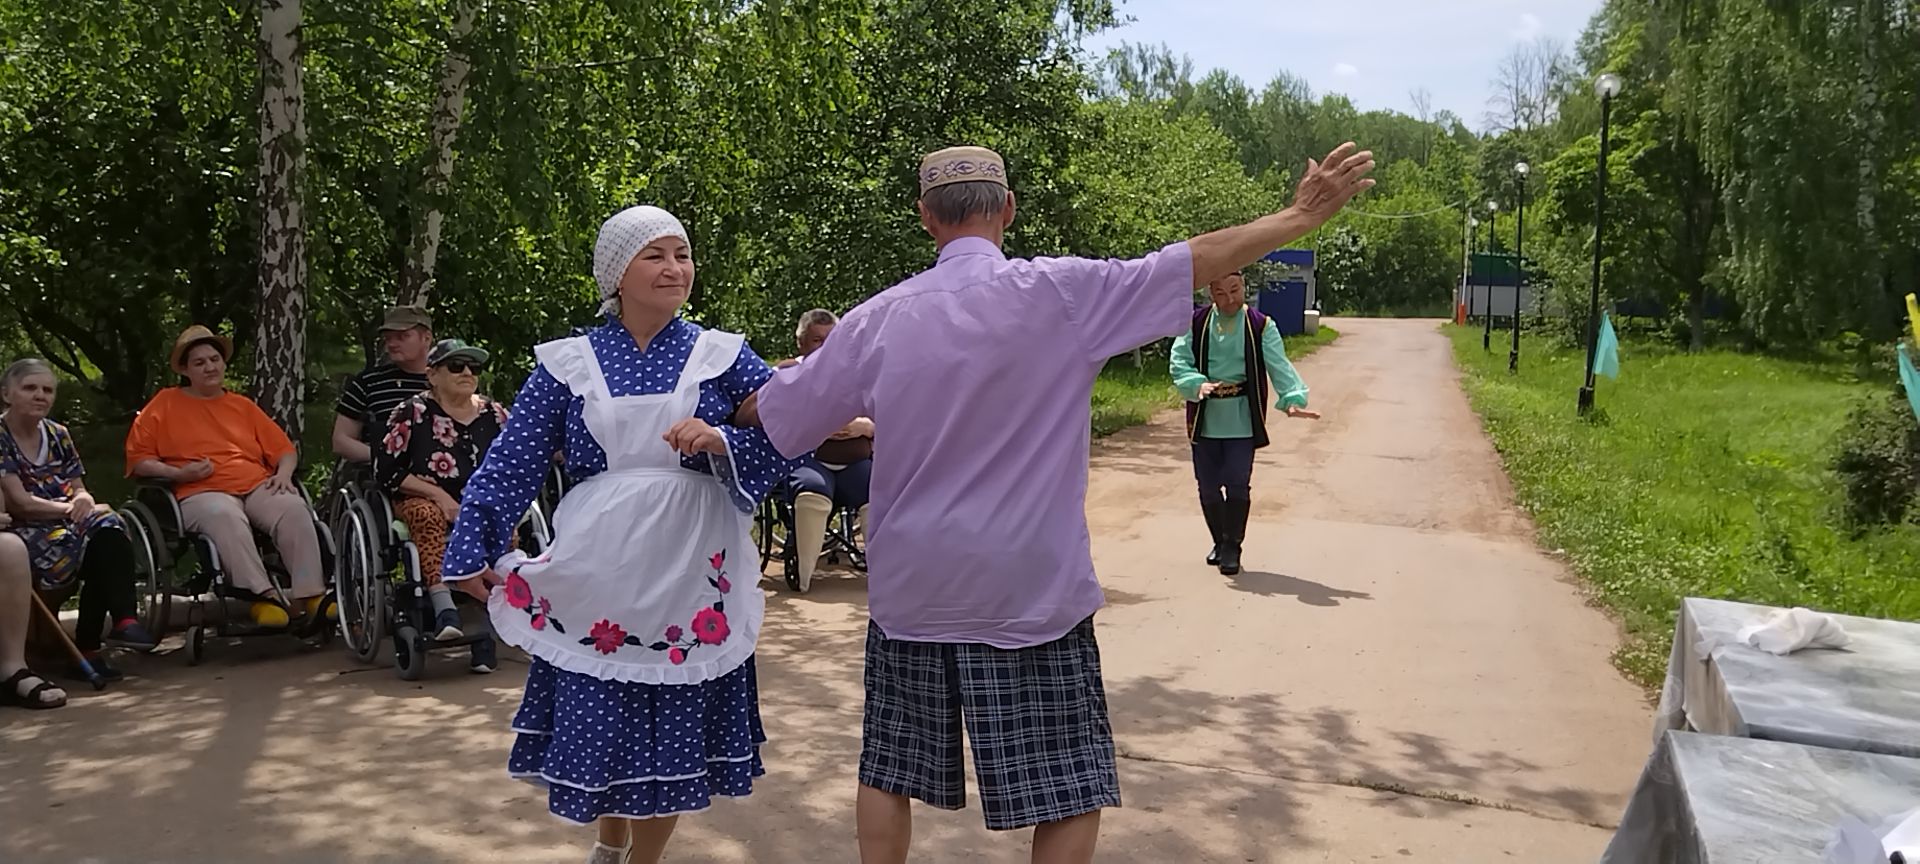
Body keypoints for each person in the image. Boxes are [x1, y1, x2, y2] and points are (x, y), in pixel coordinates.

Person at [736, 142, 1374, 863]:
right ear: (1008, 210)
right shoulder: (1066, 294)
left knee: (891, 768)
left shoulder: (877, 319)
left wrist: (710, 397)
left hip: (915, 588)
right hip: (1029, 587)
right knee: (1069, 785)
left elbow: (779, 411)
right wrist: (1298, 214)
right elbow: (1191, 259)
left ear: (925, 219)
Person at [444, 205, 796, 864]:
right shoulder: (568, 362)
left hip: (690, 568)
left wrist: (722, 439)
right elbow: (513, 461)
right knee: (600, 707)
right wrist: (470, 546)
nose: (674, 268)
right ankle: (610, 844)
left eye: (682, 254)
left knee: (671, 722)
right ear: (617, 272)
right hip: (599, 565)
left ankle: (643, 859)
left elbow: (790, 426)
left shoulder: (723, 355)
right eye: (655, 255)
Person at [125, 326, 329, 630]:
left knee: (294, 508)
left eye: (214, 359)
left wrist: (284, 475)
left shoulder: (242, 406)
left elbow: (284, 451)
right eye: (199, 362)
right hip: (200, 490)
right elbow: (139, 461)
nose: (210, 367)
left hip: (256, 483)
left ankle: (311, 594)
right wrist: (179, 473)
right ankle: (262, 597)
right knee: (225, 517)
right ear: (185, 370)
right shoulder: (164, 404)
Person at [0, 359, 158, 681]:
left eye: (47, 390)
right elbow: (19, 503)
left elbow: (78, 487)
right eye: (30, 388)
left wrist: (84, 499)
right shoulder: (1, 436)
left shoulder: (59, 434)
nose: (40, 395)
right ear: (7, 393)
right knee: (95, 539)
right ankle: (87, 647)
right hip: (23, 529)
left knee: (109, 528)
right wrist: (72, 509)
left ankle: (119, 623)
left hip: (65, 521)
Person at [1170, 270, 1318, 576]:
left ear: (1244, 287)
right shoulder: (1195, 324)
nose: (1229, 299)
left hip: (1241, 419)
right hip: (1206, 417)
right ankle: (1219, 540)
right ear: (1210, 293)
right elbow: (1179, 360)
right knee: (1208, 487)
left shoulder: (1260, 325)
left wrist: (1292, 399)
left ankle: (1232, 546)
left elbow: (1278, 364)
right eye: (1221, 293)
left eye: (1234, 290)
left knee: (1238, 483)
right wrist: (1195, 383)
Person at [372, 338, 506, 668]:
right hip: (422, 495)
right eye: (456, 366)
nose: (467, 373)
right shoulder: (412, 413)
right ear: (432, 375)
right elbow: (386, 471)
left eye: (473, 367)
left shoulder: (495, 413)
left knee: (504, 522)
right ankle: (445, 608)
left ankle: (496, 615)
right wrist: (440, 496)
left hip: (480, 500)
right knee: (427, 515)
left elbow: (516, 464)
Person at [776, 309, 873, 592]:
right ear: (801, 342)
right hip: (810, 460)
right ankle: (804, 578)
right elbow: (777, 421)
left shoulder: (862, 375)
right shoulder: (787, 374)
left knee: (880, 488)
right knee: (811, 493)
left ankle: (883, 577)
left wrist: (864, 427)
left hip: (856, 461)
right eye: (817, 340)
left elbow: (887, 417)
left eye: (832, 340)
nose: (826, 347)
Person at [332, 305, 434, 464]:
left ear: (426, 338)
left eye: (402, 336)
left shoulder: (454, 378)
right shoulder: (368, 382)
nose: (392, 344)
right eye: (388, 338)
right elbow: (341, 441)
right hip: (382, 480)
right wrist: (384, 457)